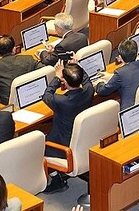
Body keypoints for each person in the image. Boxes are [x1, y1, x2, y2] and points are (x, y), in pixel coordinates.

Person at [42, 63, 96, 193]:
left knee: (39, 144)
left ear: (64, 82)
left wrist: (56, 77)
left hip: (63, 146)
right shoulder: (89, 91)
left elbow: (46, 95)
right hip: (85, 140)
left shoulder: (62, 101)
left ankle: (56, 179)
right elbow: (87, 80)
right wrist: (78, 66)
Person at [96, 38, 139, 110]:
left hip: (130, 110)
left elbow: (102, 91)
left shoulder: (120, 73)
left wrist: (99, 82)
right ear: (136, 53)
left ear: (120, 57)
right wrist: (113, 77)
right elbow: (130, 75)